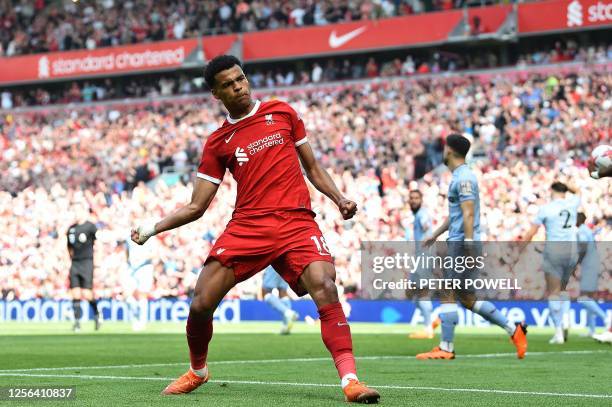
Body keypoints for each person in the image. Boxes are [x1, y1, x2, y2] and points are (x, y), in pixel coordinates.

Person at [131, 55, 380, 403]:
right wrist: (151, 228)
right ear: (216, 94)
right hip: (248, 226)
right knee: (201, 304)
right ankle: (198, 371)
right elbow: (197, 206)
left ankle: (351, 382)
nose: (239, 87)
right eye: (229, 85)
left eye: (241, 79)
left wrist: (339, 199)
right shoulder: (219, 142)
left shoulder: (282, 112)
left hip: (296, 222)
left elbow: (312, 166)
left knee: (325, 285)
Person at [417, 134, 528, 360]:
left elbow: (468, 212)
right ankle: (513, 329)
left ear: (449, 150)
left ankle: (446, 348)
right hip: (461, 240)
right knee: (467, 298)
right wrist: (435, 235)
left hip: (463, 243)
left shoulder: (464, 177)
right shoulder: (460, 176)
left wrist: (467, 243)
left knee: (446, 290)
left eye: (444, 148)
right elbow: (457, 215)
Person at [521, 181, 580, 344]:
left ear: (552, 191)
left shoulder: (546, 209)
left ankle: (558, 333)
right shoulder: (572, 203)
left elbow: (532, 232)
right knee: (563, 289)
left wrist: (519, 248)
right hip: (572, 253)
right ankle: (566, 317)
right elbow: (578, 190)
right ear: (564, 191)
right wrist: (568, 186)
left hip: (554, 252)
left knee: (553, 292)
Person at [406, 189, 439, 339]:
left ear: (421, 199)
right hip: (420, 257)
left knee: (421, 292)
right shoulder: (417, 215)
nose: (413, 200)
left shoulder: (422, 214)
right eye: (411, 198)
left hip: (424, 258)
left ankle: (428, 329)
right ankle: (431, 322)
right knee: (412, 292)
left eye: (416, 198)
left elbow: (426, 227)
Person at [67, 204, 100, 332]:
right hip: (75, 263)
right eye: (74, 210)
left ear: (83, 212)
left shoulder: (90, 227)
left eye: (78, 210)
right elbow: (69, 247)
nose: (76, 213)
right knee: (75, 293)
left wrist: (98, 260)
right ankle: (76, 323)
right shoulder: (71, 229)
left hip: (87, 262)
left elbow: (99, 242)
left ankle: (97, 314)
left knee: (87, 294)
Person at [575, 213, 609, 338]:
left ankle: (606, 318)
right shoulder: (585, 230)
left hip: (589, 266)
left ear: (579, 219)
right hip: (591, 264)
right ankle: (592, 330)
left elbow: (583, 248)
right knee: (588, 298)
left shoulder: (582, 231)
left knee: (583, 298)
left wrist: (575, 263)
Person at [261, 265, 299, 335]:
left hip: (274, 263)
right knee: (283, 292)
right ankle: (286, 325)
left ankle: (288, 313)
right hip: (286, 265)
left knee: (266, 292)